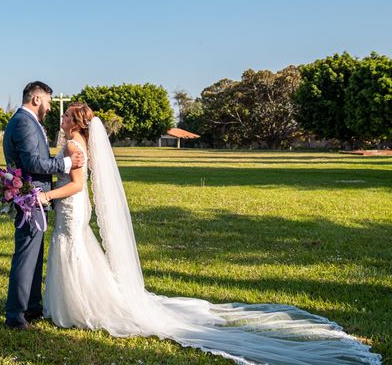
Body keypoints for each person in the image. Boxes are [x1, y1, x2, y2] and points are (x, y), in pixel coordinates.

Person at [39, 102, 381, 365]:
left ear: (77, 122)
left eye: (67, 115)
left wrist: (47, 195)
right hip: (75, 207)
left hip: (72, 204)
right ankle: (74, 303)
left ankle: (80, 307)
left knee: (73, 248)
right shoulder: (76, 142)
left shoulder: (74, 146)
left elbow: (78, 184)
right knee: (76, 248)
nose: (63, 118)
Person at [2, 81, 84, 330]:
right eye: (48, 102)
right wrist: (66, 165)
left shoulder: (27, 121)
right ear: (36, 99)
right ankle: (16, 316)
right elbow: (33, 163)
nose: (50, 108)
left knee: (33, 256)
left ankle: (31, 306)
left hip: (36, 198)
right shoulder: (24, 122)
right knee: (26, 256)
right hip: (31, 199)